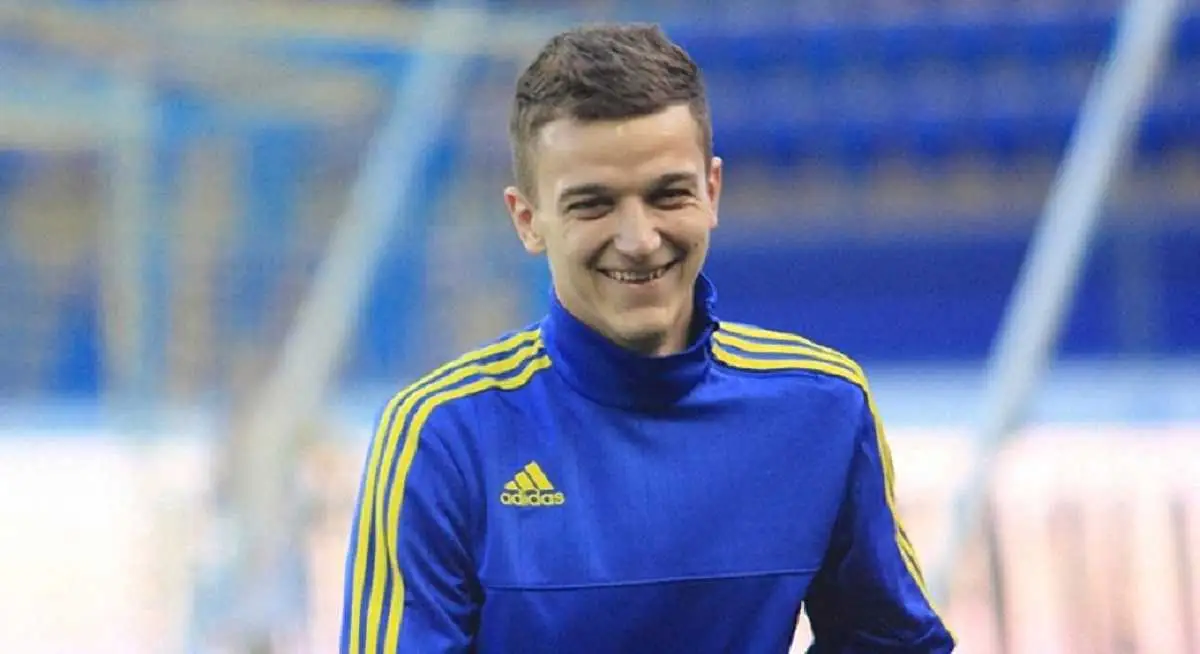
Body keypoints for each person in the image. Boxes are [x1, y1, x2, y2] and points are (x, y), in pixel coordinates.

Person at [340, 23, 954, 653]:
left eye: (668, 195)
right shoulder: (442, 437)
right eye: (593, 204)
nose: (638, 239)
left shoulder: (821, 406)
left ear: (711, 192)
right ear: (527, 219)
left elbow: (894, 645)